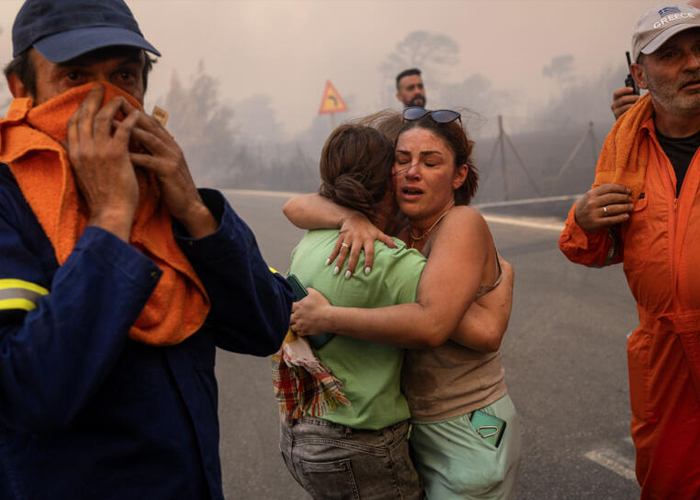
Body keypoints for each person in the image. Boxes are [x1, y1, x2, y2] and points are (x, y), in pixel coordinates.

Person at [0, 1, 293, 499]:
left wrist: (197, 214)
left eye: (124, 76)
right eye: (74, 77)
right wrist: (111, 218)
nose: (104, 98)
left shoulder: (163, 190)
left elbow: (266, 325)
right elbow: (33, 392)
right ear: (22, 88)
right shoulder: (10, 199)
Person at [288, 108, 521, 500]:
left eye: (431, 162)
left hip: (468, 423)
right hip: (413, 428)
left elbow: (451, 328)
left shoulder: (460, 222)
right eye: (401, 161)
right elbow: (295, 206)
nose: (412, 172)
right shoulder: (397, 227)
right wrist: (351, 219)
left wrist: (329, 317)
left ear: (459, 175)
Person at [559, 5, 700, 499]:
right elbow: (593, 250)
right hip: (663, 358)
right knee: (668, 483)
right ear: (639, 73)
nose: (693, 63)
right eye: (673, 55)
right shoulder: (625, 144)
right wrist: (583, 219)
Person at [610, 0, 700, 119]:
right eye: (670, 55)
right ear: (639, 75)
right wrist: (630, 128)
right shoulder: (626, 135)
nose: (693, 64)